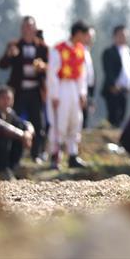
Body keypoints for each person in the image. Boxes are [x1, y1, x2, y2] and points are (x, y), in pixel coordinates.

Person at [0, 15, 48, 161]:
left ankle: (36, 154)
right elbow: (2, 65)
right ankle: (15, 155)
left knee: (38, 123)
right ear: (21, 29)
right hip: (18, 91)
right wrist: (9, 55)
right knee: (15, 121)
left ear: (35, 29)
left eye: (30, 27)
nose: (28, 30)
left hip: (35, 91)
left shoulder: (42, 48)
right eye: (25, 27)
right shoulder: (14, 45)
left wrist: (43, 67)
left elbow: (51, 67)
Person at [47, 20, 93, 169]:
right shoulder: (58, 49)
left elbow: (82, 74)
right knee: (60, 121)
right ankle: (55, 156)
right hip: (62, 87)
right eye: (85, 34)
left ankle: (72, 155)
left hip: (74, 87)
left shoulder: (81, 50)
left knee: (75, 120)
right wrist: (54, 95)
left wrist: (82, 93)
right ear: (78, 33)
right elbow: (52, 73)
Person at [101, 25, 130, 127]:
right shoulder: (109, 52)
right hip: (113, 89)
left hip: (124, 89)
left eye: (125, 35)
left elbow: (129, 70)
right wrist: (112, 85)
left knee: (121, 116)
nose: (124, 38)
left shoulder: (127, 51)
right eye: (121, 35)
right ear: (115, 36)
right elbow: (108, 70)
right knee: (113, 115)